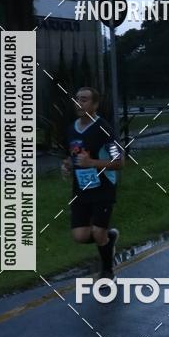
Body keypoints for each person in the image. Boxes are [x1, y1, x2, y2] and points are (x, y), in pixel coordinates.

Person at [61, 87, 123, 279]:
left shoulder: (104, 128)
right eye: (78, 99)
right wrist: (67, 165)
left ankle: (107, 271)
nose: (80, 103)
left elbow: (119, 162)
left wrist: (92, 163)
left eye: (85, 100)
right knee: (79, 236)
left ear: (95, 105)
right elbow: (73, 156)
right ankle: (109, 239)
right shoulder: (72, 129)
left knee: (97, 232)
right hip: (81, 189)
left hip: (103, 187)